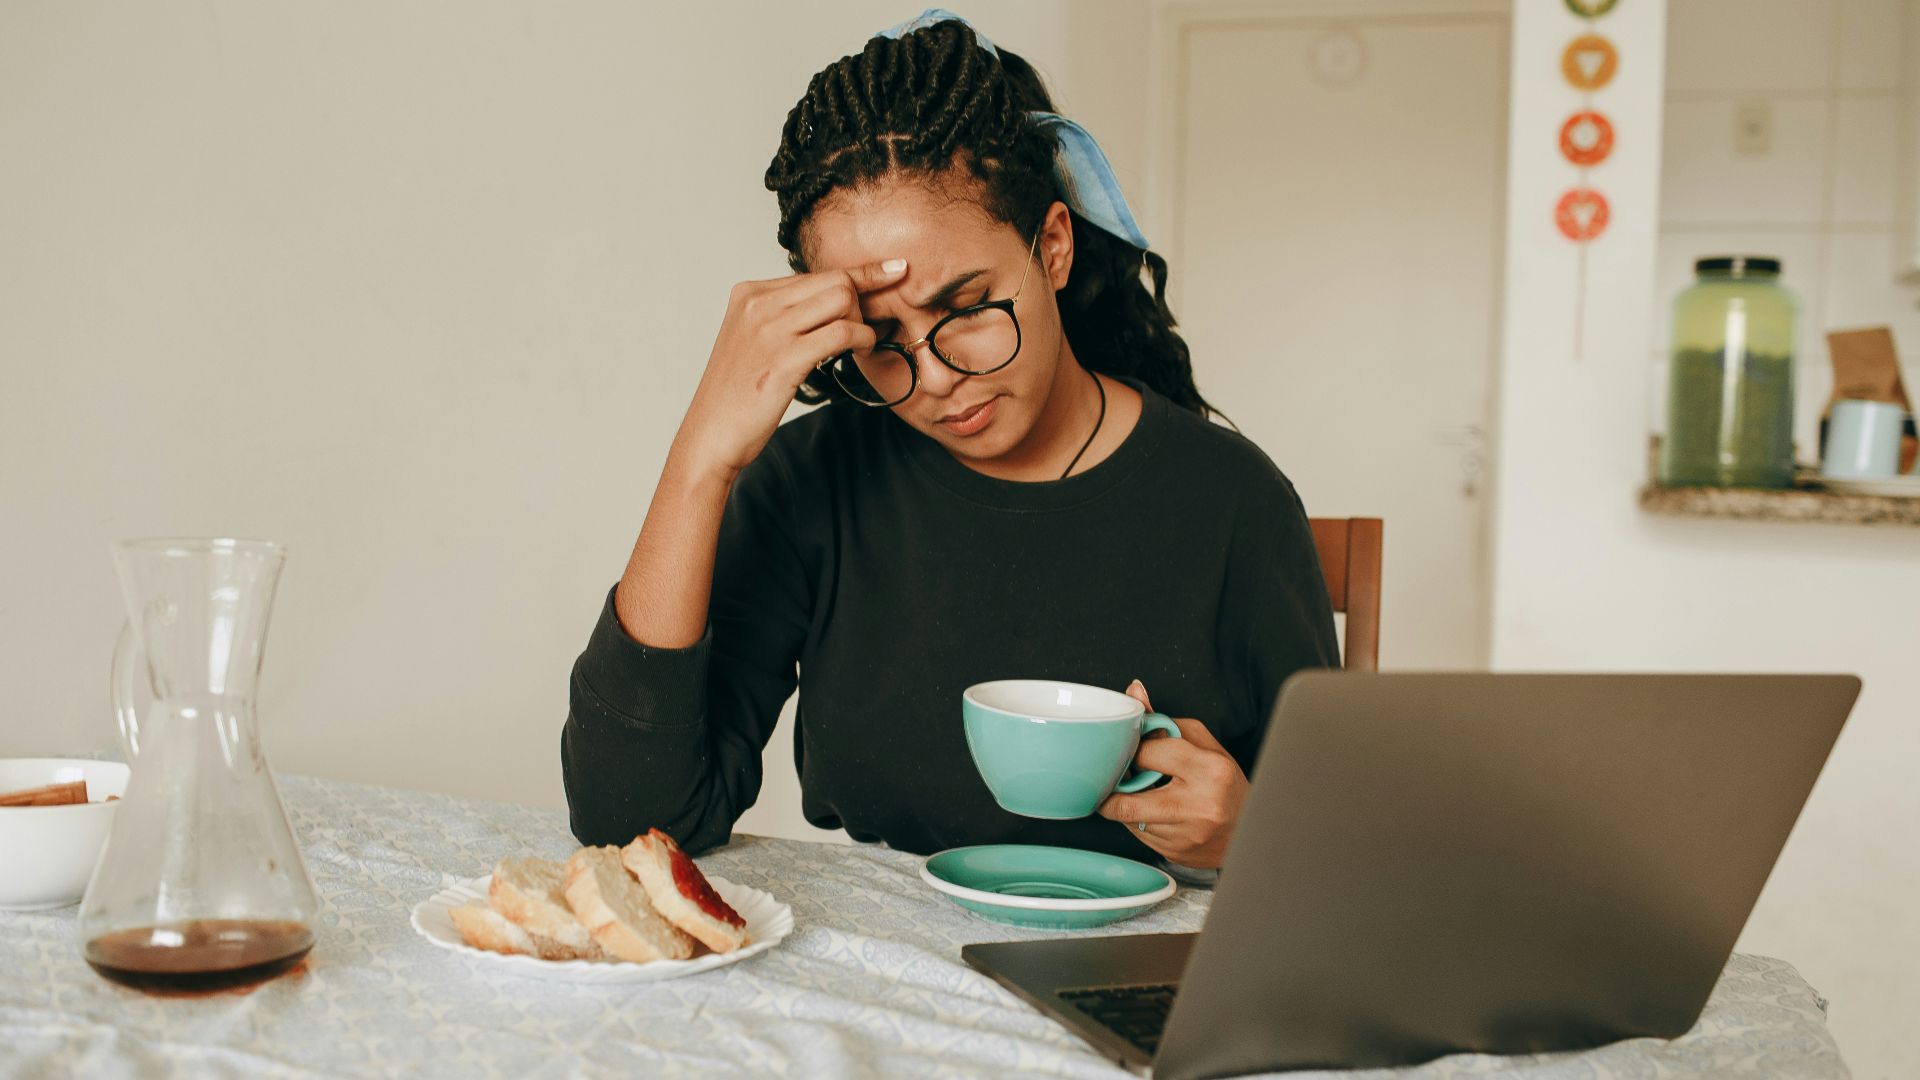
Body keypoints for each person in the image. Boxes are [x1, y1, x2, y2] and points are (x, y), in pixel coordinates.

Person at [563, 10, 1337, 873]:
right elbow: (630, 819)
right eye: (882, 337)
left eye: (966, 308)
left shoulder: (1233, 503)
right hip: (875, 967)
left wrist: (1252, 833)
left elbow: (1341, 867)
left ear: (1052, 247)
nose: (931, 379)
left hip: (1138, 972)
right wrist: (701, 456)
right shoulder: (812, 484)